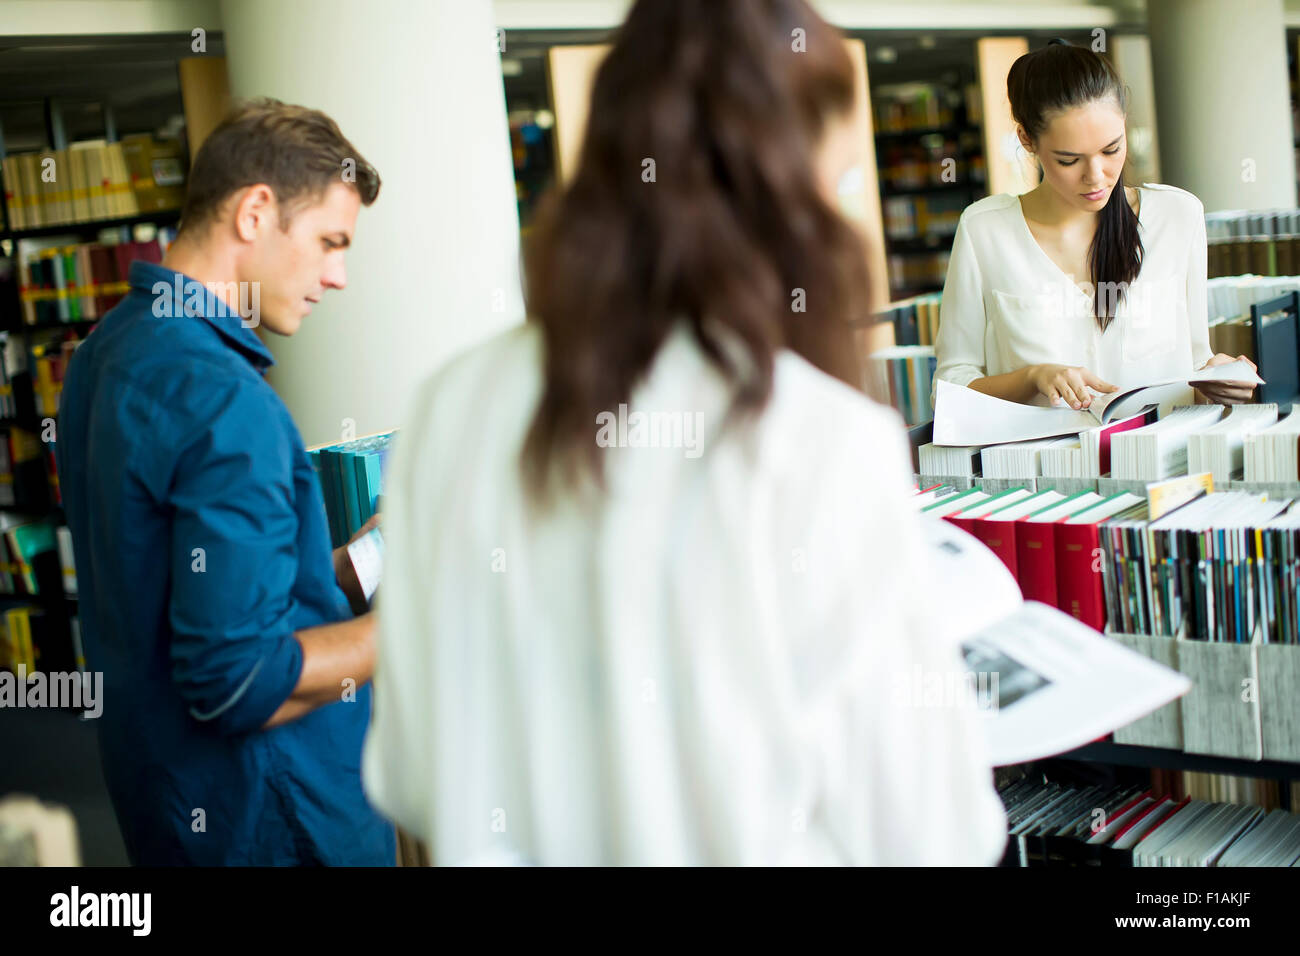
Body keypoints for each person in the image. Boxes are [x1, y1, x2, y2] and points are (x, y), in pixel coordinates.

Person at [362, 0, 1008, 865]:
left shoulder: (447, 411)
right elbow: (928, 833)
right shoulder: (822, 441)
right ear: (788, 191)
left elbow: (410, 774)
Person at [56, 99, 396, 865]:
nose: (337, 277)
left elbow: (174, 592)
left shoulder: (101, 355)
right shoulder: (227, 404)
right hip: (279, 820)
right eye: (329, 242)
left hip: (171, 804)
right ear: (254, 213)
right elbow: (239, 680)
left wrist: (344, 573)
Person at [935, 39, 1256, 411]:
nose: (1097, 176)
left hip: (1163, 447)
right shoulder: (985, 231)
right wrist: (1031, 377)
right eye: (1069, 160)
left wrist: (1219, 379)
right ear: (1027, 139)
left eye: (1111, 149)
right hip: (1044, 450)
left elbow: (1196, 361)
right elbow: (949, 390)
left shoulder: (1178, 216)